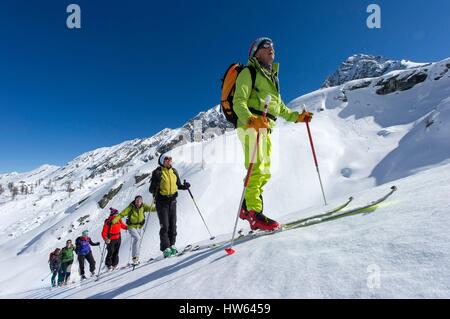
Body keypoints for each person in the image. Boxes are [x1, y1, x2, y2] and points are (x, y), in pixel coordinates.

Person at [233, 37, 313, 231]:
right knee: (257, 168)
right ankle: (254, 213)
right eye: (266, 46)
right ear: (256, 52)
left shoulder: (271, 77)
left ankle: (246, 207)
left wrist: (298, 117)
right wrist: (251, 120)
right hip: (251, 125)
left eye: (273, 46)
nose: (272, 49)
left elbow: (281, 108)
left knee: (265, 171)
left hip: (266, 127)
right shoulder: (248, 72)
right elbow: (239, 101)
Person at [149, 154, 190, 258]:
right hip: (161, 202)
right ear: (162, 161)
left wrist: (185, 187)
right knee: (165, 226)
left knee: (173, 225)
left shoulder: (174, 171)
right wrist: (155, 184)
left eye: (170, 158)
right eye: (167, 159)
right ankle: (166, 248)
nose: (169, 160)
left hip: (173, 201)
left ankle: (172, 245)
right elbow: (151, 189)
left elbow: (179, 185)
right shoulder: (157, 172)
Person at [111, 195, 154, 265]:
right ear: (135, 201)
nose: (139, 201)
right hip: (131, 226)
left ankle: (136, 258)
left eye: (140, 200)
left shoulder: (143, 206)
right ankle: (134, 258)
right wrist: (114, 220)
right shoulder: (131, 207)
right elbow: (122, 214)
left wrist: (161, 207)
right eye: (137, 200)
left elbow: (152, 208)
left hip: (139, 227)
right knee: (137, 238)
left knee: (138, 240)